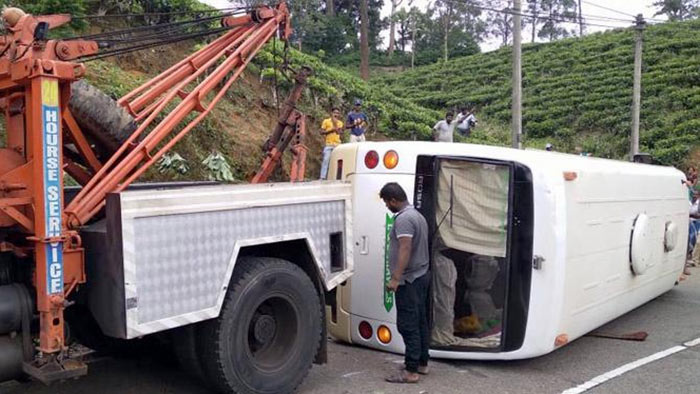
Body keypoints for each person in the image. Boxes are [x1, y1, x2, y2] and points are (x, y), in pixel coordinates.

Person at [379, 182, 430, 384]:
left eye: (386, 202)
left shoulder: (404, 219)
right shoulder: (417, 215)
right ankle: (422, 363)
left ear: (393, 200)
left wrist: (395, 278)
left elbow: (405, 248)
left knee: (408, 325)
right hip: (421, 276)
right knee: (420, 322)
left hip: (409, 280)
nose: (386, 206)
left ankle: (411, 371)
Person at [319, 107, 344, 179]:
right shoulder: (326, 121)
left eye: (337, 113)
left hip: (337, 144)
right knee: (326, 160)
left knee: (337, 162)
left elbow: (340, 133)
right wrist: (331, 130)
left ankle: (336, 177)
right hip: (329, 144)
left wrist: (336, 127)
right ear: (331, 113)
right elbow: (321, 132)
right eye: (335, 113)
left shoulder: (340, 123)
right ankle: (322, 177)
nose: (336, 114)